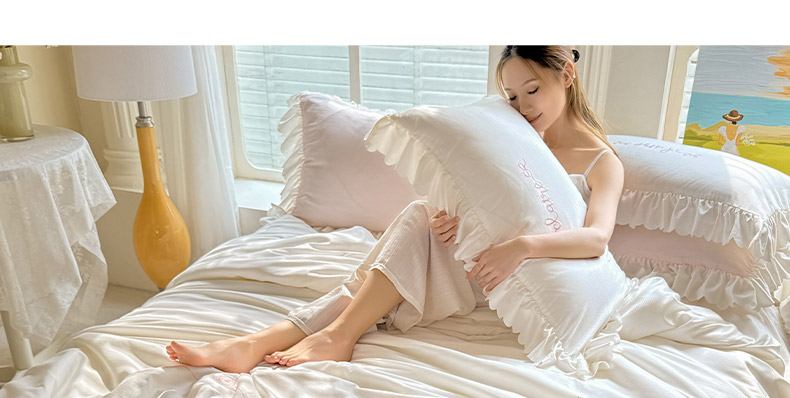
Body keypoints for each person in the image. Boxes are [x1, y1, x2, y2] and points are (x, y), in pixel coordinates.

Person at [166, 45, 624, 373]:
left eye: (532, 90)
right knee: (421, 218)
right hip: (474, 257)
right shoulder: (515, 141)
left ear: (567, 75)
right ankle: (270, 342)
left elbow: (596, 239)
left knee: (397, 249)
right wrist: (452, 218)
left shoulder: (601, 161)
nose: (522, 106)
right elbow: (483, 202)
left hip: (512, 278)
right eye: (511, 97)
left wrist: (521, 247)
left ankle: (297, 339)